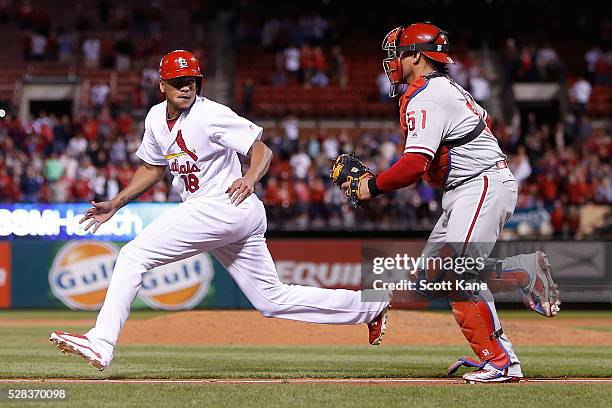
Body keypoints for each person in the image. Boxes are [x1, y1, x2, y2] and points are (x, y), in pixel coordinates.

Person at [49, 50, 390, 371]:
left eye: (193, 80)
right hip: (224, 213)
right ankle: (369, 306)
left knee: (133, 256)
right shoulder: (155, 118)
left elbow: (262, 149)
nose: (187, 86)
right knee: (271, 300)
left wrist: (250, 177)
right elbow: (152, 169)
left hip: (225, 204)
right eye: (179, 81)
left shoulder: (210, 114)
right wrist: (116, 202)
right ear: (161, 85)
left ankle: (101, 342)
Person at [341, 22, 560, 383]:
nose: (392, 60)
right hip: (469, 187)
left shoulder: (428, 94)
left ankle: (502, 362)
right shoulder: (445, 88)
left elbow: (414, 164)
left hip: (480, 185)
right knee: (432, 278)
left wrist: (371, 186)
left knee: (459, 273)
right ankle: (521, 276)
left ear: (416, 55)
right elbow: (483, 121)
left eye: (397, 52)